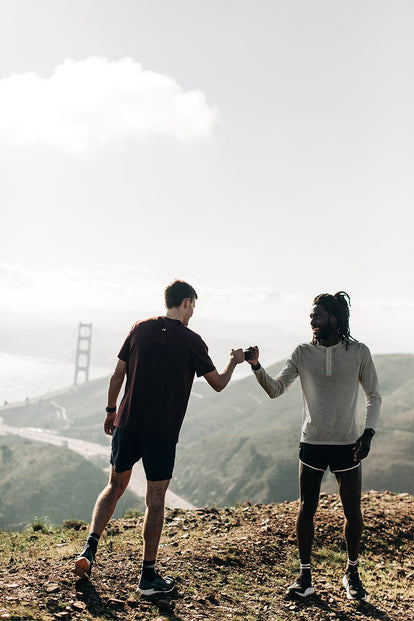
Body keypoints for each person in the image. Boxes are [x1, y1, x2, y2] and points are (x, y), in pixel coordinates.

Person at [73, 279, 245, 594]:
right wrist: (234, 361)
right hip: (161, 433)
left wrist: (111, 410)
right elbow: (218, 383)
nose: (193, 311)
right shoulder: (192, 341)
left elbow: (117, 374)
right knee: (155, 501)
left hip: (127, 423)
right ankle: (148, 577)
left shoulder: (139, 328)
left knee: (114, 487)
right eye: (194, 305)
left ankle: (89, 550)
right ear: (187, 303)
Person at [244, 292, 381, 601]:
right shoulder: (302, 353)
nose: (311, 321)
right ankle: (305, 576)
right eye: (311, 316)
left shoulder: (359, 352)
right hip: (312, 444)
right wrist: (256, 366)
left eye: (317, 316)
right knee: (307, 509)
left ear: (333, 319)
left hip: (348, 444)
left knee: (353, 512)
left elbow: (374, 395)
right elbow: (276, 389)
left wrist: (368, 433)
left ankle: (352, 573)